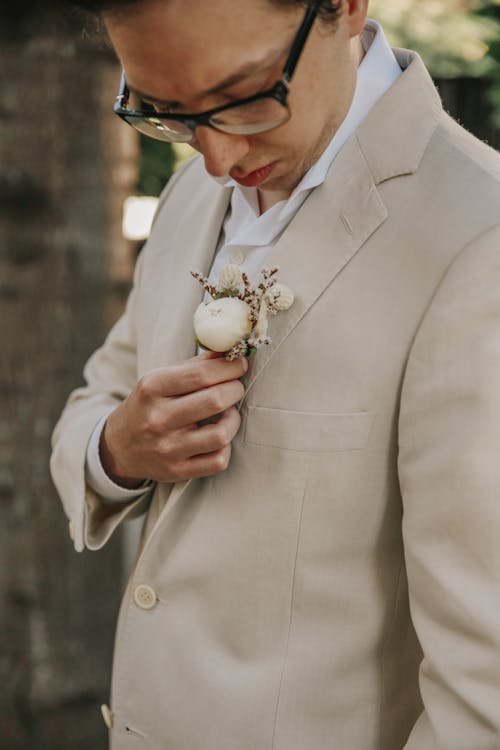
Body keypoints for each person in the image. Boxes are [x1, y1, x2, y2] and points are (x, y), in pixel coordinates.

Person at [51, 0, 500, 747]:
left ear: (347, 8)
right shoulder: (191, 194)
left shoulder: (478, 242)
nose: (219, 159)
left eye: (247, 97)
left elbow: (483, 688)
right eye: (169, 114)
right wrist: (117, 451)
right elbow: (96, 397)